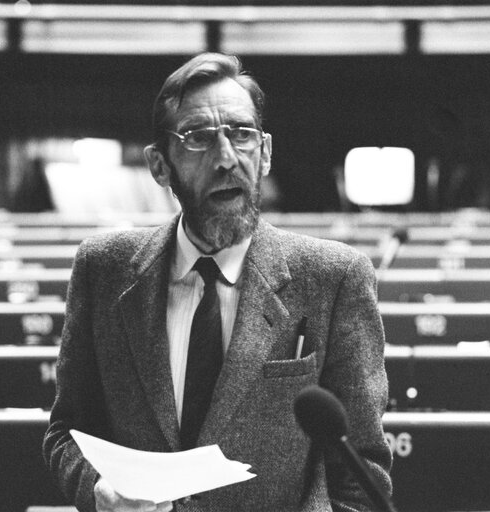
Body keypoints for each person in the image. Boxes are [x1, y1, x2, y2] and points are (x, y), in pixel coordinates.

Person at [43, 52, 392, 512]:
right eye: (198, 139)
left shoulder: (334, 278)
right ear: (159, 165)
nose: (226, 158)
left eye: (242, 134)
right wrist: (97, 490)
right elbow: (66, 432)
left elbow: (361, 472)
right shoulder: (102, 270)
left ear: (265, 153)